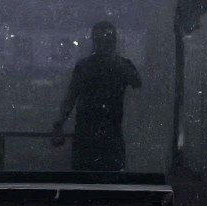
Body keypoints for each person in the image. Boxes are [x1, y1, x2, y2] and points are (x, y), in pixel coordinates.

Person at [53, 22, 142, 171]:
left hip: (91, 133)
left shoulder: (85, 66)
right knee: (109, 177)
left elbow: (70, 98)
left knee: (86, 177)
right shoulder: (116, 65)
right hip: (105, 133)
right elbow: (137, 83)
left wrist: (59, 124)